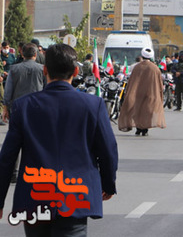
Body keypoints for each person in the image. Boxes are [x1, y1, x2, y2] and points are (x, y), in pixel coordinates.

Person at [0, 43, 118, 235]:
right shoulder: (93, 105)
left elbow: (7, 158)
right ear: (76, 71)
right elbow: (108, 150)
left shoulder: (24, 106)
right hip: (76, 197)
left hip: (35, 197)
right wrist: (108, 184)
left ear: (45, 70)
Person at [118, 47, 166, 136]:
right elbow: (159, 83)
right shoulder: (155, 68)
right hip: (150, 93)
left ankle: (138, 128)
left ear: (142, 56)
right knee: (147, 111)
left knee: (138, 110)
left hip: (137, 93)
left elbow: (131, 81)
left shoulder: (137, 67)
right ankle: (145, 129)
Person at [3, 43, 45, 122]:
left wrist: (5, 107)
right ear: (35, 54)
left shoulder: (14, 69)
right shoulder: (42, 69)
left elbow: (8, 90)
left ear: (22, 54)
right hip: (36, 106)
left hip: (17, 107)